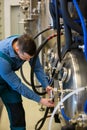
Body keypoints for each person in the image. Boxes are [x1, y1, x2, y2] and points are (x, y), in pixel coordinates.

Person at [0, 34, 54, 130]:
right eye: (25, 58)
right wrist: (40, 100)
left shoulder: (27, 45)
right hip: (4, 73)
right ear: (17, 50)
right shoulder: (2, 57)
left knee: (17, 111)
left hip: (8, 78)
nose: (29, 60)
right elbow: (18, 86)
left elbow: (37, 68)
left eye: (30, 58)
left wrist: (46, 85)